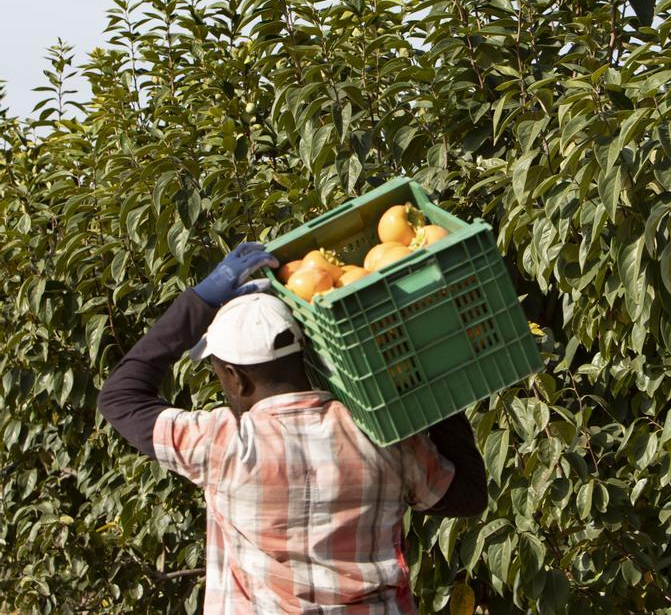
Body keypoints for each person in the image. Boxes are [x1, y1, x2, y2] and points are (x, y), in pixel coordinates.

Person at [98, 242, 486, 614]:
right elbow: (468, 496)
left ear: (236, 377)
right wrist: (432, 384)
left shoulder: (222, 444)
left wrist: (198, 302)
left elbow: (120, 397)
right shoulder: (381, 434)